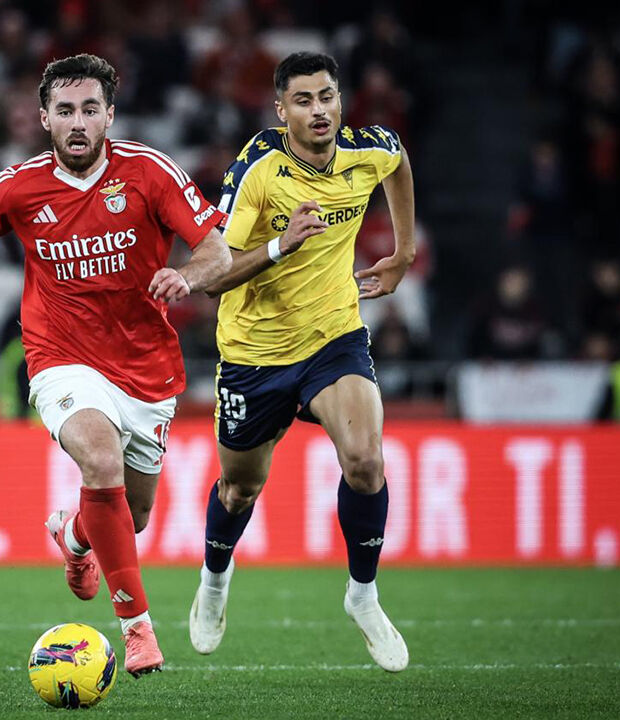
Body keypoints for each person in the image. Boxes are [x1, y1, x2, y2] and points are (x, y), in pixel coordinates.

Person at [0, 54, 230, 677]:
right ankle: (138, 630)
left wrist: (187, 274)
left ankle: (74, 537)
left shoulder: (149, 172)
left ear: (109, 116)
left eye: (90, 109)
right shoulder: (16, 188)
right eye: (65, 110)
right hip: (60, 356)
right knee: (99, 459)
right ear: (44, 118)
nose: (78, 122)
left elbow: (216, 249)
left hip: (145, 367)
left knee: (134, 515)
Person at [189, 52, 414, 672]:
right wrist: (279, 244)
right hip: (254, 353)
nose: (319, 111)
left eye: (327, 97)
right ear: (281, 109)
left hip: (332, 338)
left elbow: (398, 162)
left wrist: (403, 252)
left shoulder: (367, 150)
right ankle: (214, 581)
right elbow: (211, 276)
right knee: (240, 488)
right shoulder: (258, 169)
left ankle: (363, 596)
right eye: (304, 100)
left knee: (366, 460)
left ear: (340, 99)